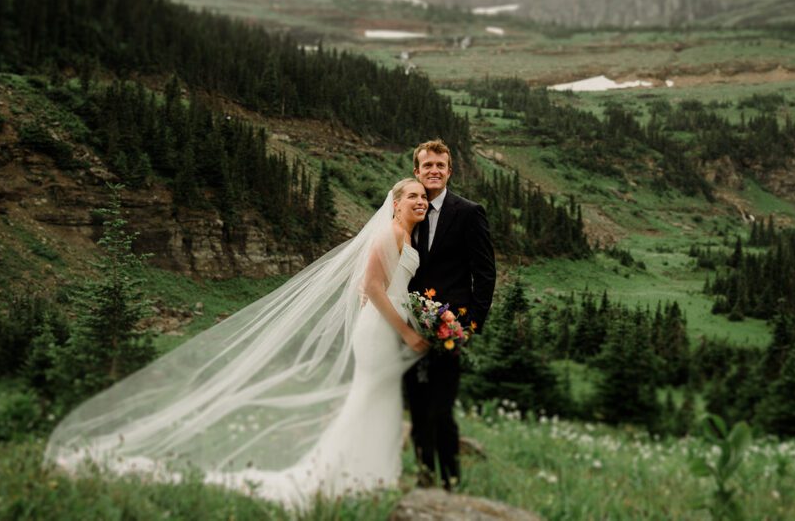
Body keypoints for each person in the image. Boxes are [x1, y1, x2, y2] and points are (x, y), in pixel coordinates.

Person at [44, 179, 431, 509]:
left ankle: (367, 474)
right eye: (411, 196)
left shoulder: (405, 235)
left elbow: (374, 289)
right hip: (383, 330)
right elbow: (371, 287)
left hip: (382, 326)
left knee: (378, 398)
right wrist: (408, 331)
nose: (419, 201)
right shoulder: (391, 233)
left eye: (423, 197)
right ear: (394, 204)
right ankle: (351, 476)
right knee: (370, 397)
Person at [405, 139, 496, 489]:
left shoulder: (469, 212)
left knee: (442, 410)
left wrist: (468, 325)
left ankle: (452, 481)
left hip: (449, 329)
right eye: (427, 165)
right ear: (417, 171)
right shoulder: (406, 210)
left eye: (440, 166)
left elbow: (485, 273)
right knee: (417, 407)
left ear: (449, 172)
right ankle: (425, 478)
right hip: (408, 330)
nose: (434, 171)